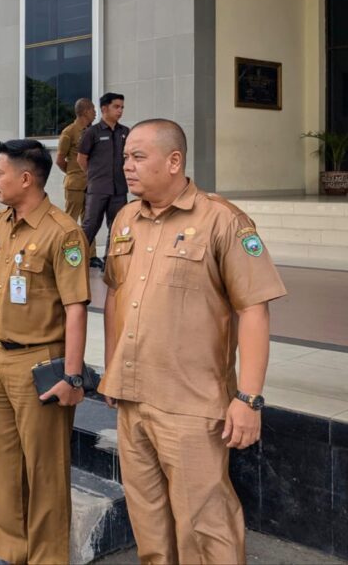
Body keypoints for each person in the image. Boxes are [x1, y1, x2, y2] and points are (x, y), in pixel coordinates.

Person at [100, 119, 287, 564]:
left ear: (174, 161)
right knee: (149, 523)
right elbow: (114, 297)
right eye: (126, 157)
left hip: (192, 405)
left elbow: (254, 309)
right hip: (132, 397)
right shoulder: (126, 218)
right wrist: (111, 369)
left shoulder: (222, 220)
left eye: (138, 157)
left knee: (205, 529)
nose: (127, 166)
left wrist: (249, 397)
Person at [0, 139, 91, 565]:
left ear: (25, 178)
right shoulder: (0, 223)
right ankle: (10, 552)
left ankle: (46, 559)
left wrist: (72, 376)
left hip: (41, 363)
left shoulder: (63, 232)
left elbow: (76, 308)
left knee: (45, 472)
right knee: (5, 464)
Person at [77, 92, 129, 269]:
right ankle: (75, 261)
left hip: (119, 189)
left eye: (122, 107)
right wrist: (93, 177)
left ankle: (110, 262)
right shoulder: (92, 132)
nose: (120, 111)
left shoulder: (125, 132)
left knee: (117, 227)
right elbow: (81, 159)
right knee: (90, 226)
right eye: (116, 107)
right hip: (98, 188)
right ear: (104, 108)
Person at [56, 98, 96, 223]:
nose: (95, 113)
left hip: (90, 183)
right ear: (86, 111)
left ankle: (88, 244)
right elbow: (60, 160)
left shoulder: (92, 132)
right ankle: (67, 243)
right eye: (93, 110)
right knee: (70, 221)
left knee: (89, 222)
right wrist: (73, 173)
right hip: (75, 185)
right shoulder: (69, 132)